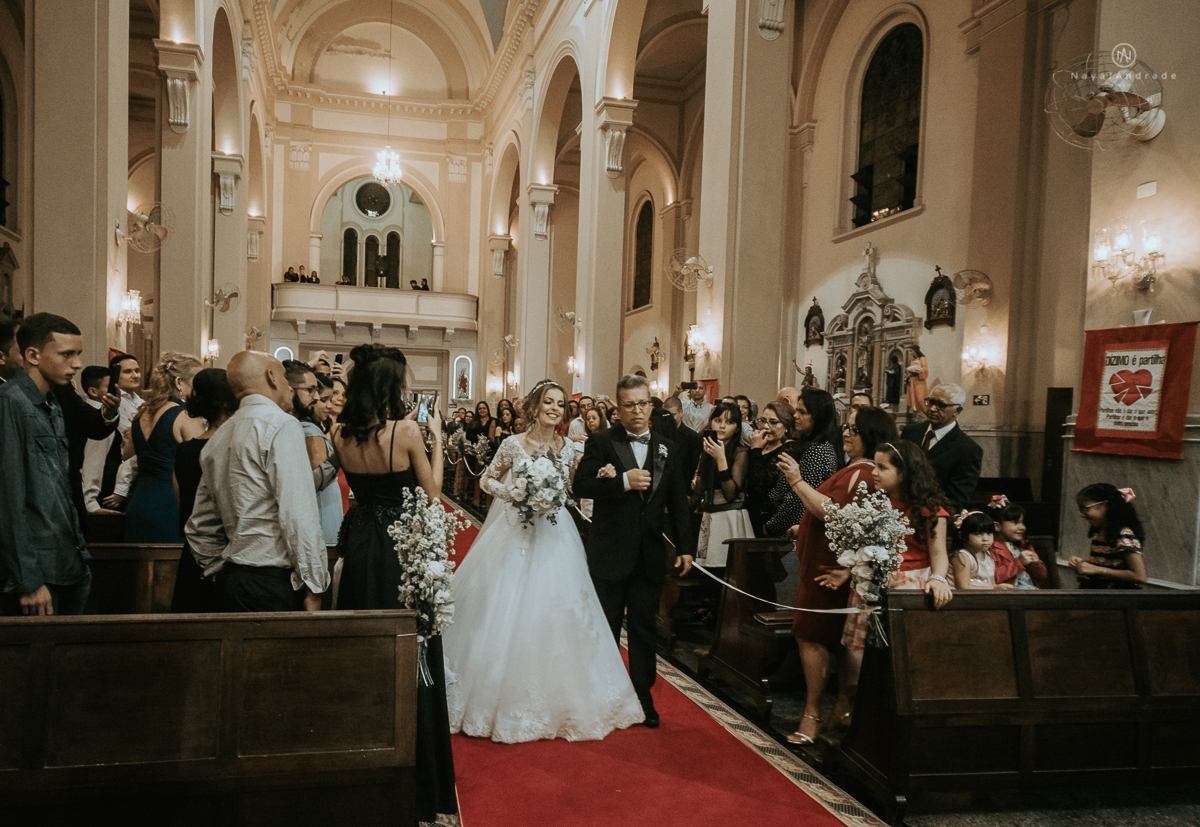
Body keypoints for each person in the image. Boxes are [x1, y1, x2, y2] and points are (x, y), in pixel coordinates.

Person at [444, 380, 644, 742]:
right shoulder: (512, 444)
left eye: (560, 404)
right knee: (504, 607)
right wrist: (515, 493)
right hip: (515, 532)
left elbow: (574, 487)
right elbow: (487, 480)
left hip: (555, 533)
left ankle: (563, 697)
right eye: (548, 402)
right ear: (535, 408)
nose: (555, 408)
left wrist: (602, 474)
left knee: (558, 607)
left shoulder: (569, 447)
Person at [329, 344, 455, 824]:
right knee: (410, 644)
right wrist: (436, 438)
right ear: (389, 385)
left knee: (365, 641)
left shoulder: (339, 431)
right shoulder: (404, 431)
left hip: (360, 541)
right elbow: (432, 493)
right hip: (398, 546)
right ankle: (418, 769)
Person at [575, 374, 695, 728]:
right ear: (618, 409)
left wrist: (686, 548)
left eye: (643, 403)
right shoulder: (601, 442)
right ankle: (602, 692)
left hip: (649, 554)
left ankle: (642, 695)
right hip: (610, 550)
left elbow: (679, 501)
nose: (637, 411)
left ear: (651, 405)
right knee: (606, 626)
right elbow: (581, 484)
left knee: (644, 628)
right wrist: (622, 482)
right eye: (629, 405)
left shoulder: (667, 447)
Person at [783, 405, 898, 745]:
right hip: (831, 563)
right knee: (839, 641)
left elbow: (834, 513)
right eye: (845, 427)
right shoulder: (858, 469)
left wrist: (797, 481)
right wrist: (803, 525)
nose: (846, 433)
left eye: (853, 429)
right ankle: (843, 710)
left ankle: (812, 714)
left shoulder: (863, 473)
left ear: (870, 435)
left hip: (828, 569)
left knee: (810, 635)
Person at [186, 350, 330, 612]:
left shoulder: (219, 436)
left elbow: (200, 526)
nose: (289, 387)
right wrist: (314, 585)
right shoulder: (281, 424)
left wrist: (218, 571)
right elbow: (298, 514)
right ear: (272, 377)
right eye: (285, 377)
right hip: (272, 583)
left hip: (232, 582)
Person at [0, 313, 94, 616]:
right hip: (37, 574)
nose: (77, 364)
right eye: (67, 354)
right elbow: (8, 499)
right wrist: (27, 580)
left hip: (68, 562)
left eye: (78, 354)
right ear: (33, 355)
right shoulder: (10, 402)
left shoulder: (52, 403)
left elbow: (56, 488)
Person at [170, 368, 238, 613]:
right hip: (225, 553)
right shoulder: (232, 449)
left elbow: (182, 502)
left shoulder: (185, 450)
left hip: (192, 553)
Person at [123, 354, 206, 542]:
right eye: (197, 381)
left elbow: (126, 454)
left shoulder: (141, 414)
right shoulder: (185, 416)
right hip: (171, 504)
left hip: (139, 503)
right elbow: (202, 462)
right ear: (179, 382)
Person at [284, 361, 341, 547]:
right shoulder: (310, 431)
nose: (316, 398)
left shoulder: (306, 427)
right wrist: (341, 453)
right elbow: (316, 481)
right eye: (311, 391)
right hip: (322, 508)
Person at [901, 383, 982, 512]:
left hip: (932, 515)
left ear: (957, 411)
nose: (933, 408)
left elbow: (956, 500)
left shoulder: (968, 449)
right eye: (931, 402)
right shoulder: (911, 432)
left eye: (941, 405)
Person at [692, 402, 753, 570]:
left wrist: (721, 459)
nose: (722, 426)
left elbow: (731, 493)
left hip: (730, 515)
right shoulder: (709, 446)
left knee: (729, 569)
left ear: (737, 427)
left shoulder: (740, 451)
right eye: (718, 420)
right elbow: (701, 486)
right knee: (708, 569)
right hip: (710, 513)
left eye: (729, 422)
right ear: (711, 422)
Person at [1069, 484, 1147, 588]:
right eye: (1080, 510)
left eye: (1085, 509)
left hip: (1116, 593)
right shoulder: (1099, 532)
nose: (1082, 515)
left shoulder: (1124, 534)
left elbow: (1140, 576)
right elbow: (1107, 565)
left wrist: (1097, 570)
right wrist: (1083, 565)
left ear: (1106, 505)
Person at [745, 400, 802, 538]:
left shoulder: (789, 449)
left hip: (770, 519)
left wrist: (755, 451)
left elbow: (761, 486)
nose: (766, 426)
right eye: (763, 421)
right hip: (750, 514)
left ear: (787, 426)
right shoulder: (761, 443)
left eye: (773, 422)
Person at [986, 495, 1049, 589]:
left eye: (1023, 522)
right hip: (1009, 593)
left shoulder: (1024, 545)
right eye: (1016, 523)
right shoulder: (990, 548)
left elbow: (1042, 577)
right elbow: (992, 577)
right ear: (997, 526)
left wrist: (1035, 564)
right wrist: (1019, 563)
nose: (1023, 527)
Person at [951, 510, 1010, 590]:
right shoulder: (962, 556)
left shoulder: (988, 554)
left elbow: (991, 582)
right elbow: (963, 587)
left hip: (983, 595)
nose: (985, 539)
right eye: (978, 534)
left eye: (989, 533)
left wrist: (996, 587)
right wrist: (994, 588)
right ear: (962, 535)